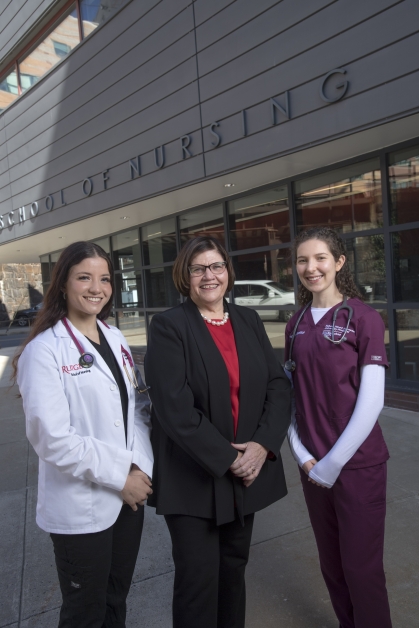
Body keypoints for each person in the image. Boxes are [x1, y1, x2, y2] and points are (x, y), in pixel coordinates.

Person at [144, 235, 291, 628]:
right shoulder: (168, 326)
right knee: (198, 583)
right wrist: (231, 459)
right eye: (198, 268)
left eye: (217, 266)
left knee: (233, 574)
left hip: (245, 475)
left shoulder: (248, 319)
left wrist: (262, 445)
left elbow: (278, 385)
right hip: (194, 478)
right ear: (185, 276)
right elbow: (174, 409)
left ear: (228, 271)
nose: (209, 276)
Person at [13, 241, 153, 628]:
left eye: (105, 278)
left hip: (130, 497)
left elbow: (135, 410)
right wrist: (120, 475)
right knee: (84, 612)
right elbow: (52, 438)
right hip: (82, 505)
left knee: (115, 601)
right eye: (84, 277)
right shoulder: (44, 351)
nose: (97, 287)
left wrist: (141, 468)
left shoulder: (115, 338)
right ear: (62, 285)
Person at [286, 227, 392, 628]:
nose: (310, 268)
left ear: (339, 262)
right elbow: (293, 397)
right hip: (312, 467)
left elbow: (372, 400)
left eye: (320, 259)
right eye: (302, 260)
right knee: (332, 566)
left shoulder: (363, 318)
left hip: (357, 466)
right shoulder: (295, 323)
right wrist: (304, 456)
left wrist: (332, 464)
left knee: (362, 570)